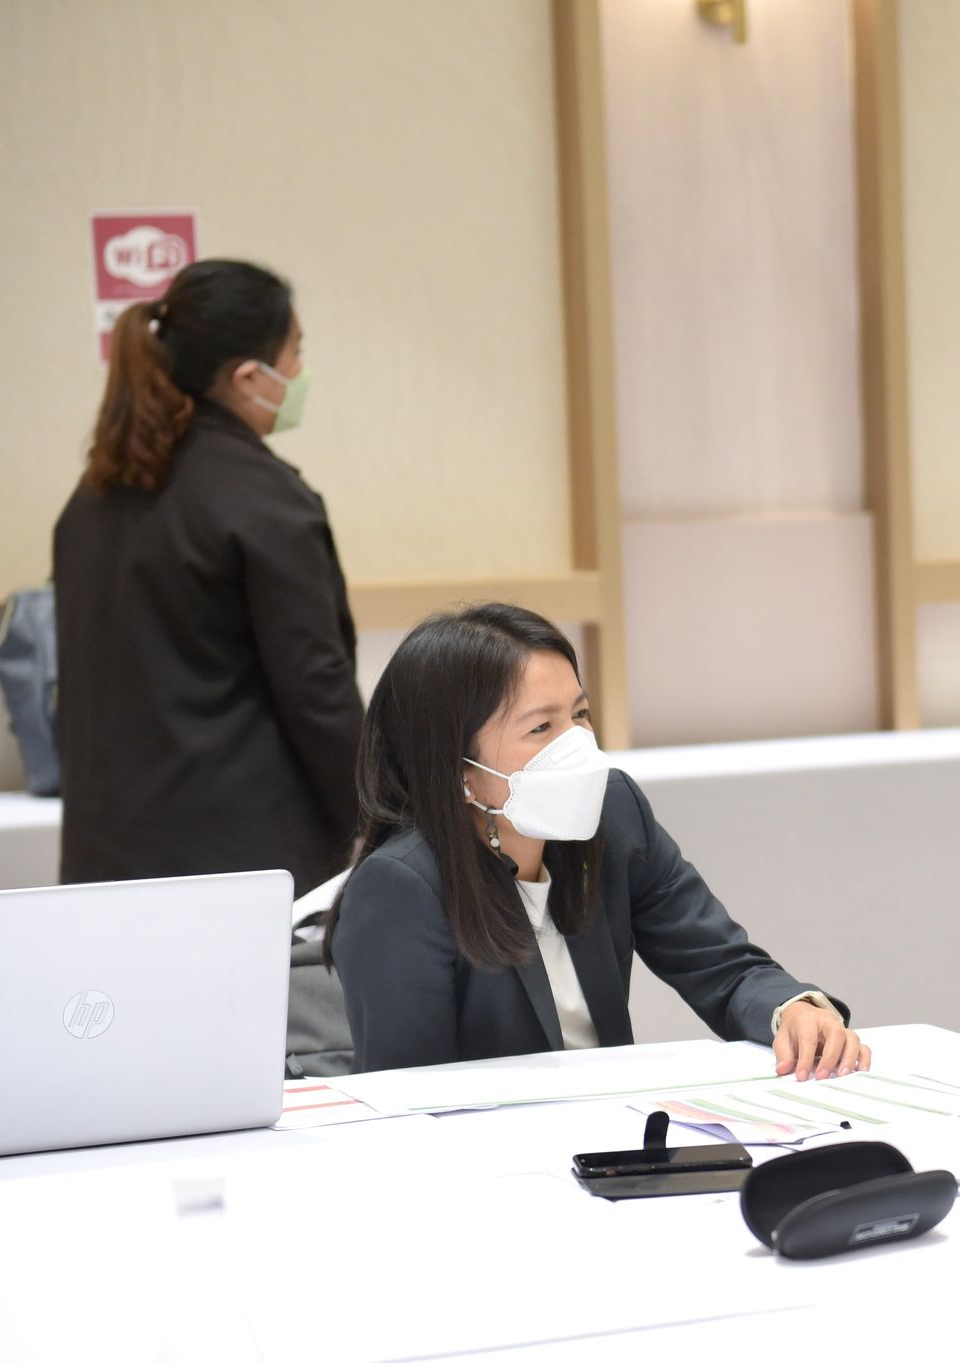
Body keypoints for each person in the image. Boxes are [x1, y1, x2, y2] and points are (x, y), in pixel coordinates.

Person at [323, 603, 867, 1079]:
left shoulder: (613, 814)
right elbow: (408, 1098)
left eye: (580, 714)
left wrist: (793, 1010)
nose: (578, 745)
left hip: (613, 1138)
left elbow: (722, 964)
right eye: (541, 728)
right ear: (456, 769)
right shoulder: (401, 888)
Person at [53, 259, 361, 897]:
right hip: (240, 866)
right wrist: (383, 820)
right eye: (295, 353)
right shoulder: (264, 500)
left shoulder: (92, 498)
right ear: (250, 377)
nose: (299, 372)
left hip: (105, 863)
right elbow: (317, 690)